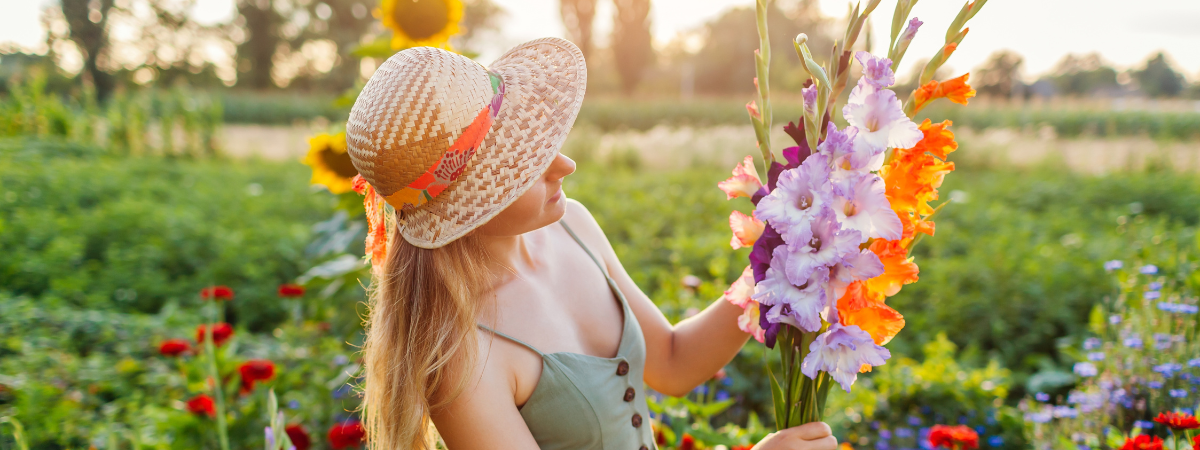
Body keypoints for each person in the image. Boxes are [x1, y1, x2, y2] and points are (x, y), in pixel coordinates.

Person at [345, 37, 838, 450]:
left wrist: (775, 261)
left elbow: (671, 360)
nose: (564, 165)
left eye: (539, 140)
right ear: (463, 207)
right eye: (524, 162)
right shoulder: (459, 353)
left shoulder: (572, 226)